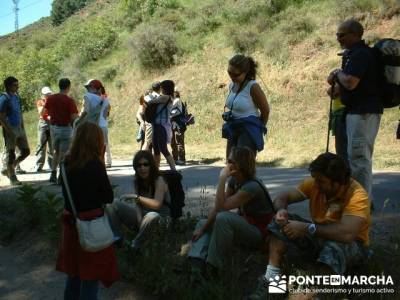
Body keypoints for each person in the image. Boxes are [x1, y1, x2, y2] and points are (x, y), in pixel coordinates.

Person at [249, 152, 370, 300]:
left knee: (335, 246)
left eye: (321, 181)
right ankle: (272, 283)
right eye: (315, 180)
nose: (316, 185)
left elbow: (347, 234)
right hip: (320, 235)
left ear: (337, 181)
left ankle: (323, 294)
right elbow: (282, 197)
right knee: (278, 223)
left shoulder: (357, 195)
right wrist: (281, 211)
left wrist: (307, 228)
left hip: (353, 246)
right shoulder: (315, 183)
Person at [187, 147, 274, 276]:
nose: (226, 164)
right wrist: (203, 228)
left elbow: (222, 207)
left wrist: (222, 178)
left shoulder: (252, 186)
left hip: (259, 233)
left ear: (239, 165)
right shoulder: (235, 180)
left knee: (223, 218)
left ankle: (212, 268)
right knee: (202, 223)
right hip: (247, 224)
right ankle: (195, 263)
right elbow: (218, 207)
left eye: (230, 161)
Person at [56, 122, 119, 298]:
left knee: (74, 275)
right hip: (92, 226)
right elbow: (108, 197)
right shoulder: (95, 165)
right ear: (96, 142)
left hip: (72, 225)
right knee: (91, 278)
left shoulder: (64, 165)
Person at [327, 19, 383, 205]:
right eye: (337, 35)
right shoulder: (353, 55)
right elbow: (348, 86)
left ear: (354, 35)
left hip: (363, 112)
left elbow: (350, 82)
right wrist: (335, 86)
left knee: (359, 159)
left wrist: (337, 73)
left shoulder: (361, 54)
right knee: (356, 157)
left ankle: (361, 204)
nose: (338, 38)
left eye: (341, 35)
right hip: (357, 111)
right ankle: (361, 200)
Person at [106, 150, 170, 250]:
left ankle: (135, 245)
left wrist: (136, 197)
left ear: (151, 166)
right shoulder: (138, 181)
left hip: (161, 220)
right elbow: (138, 205)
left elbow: (157, 204)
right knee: (113, 203)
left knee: (152, 216)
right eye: (139, 165)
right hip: (144, 219)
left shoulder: (159, 180)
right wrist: (139, 221)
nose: (142, 168)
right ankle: (117, 239)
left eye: (146, 164)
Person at [222, 54, 270, 159]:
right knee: (230, 165)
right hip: (233, 128)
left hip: (248, 131)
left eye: (235, 74)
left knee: (242, 168)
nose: (232, 77)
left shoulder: (253, 87)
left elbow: (265, 111)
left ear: (245, 72)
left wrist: (258, 128)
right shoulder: (232, 85)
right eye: (229, 73)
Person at [43, 78, 78, 183]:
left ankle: (53, 173)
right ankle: (61, 176)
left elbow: (44, 112)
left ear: (59, 86)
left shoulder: (51, 98)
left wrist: (52, 117)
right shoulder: (69, 101)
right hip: (65, 129)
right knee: (64, 153)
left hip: (54, 128)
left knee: (56, 152)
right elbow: (73, 117)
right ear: (68, 87)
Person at [0, 76, 30, 185]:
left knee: (26, 151)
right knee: (11, 153)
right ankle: (12, 177)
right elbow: (1, 116)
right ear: (8, 86)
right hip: (10, 128)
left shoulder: (16, 97)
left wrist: (22, 126)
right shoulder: (4, 98)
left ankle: (10, 168)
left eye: (17, 84)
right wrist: (8, 130)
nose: (17, 86)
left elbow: (19, 112)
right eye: (15, 85)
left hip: (19, 128)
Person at [147, 80, 176, 170]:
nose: (160, 89)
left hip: (161, 125)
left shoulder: (166, 97)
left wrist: (149, 97)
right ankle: (156, 169)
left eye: (162, 87)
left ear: (165, 88)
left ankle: (173, 169)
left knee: (163, 149)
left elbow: (151, 102)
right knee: (156, 149)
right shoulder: (165, 97)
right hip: (156, 125)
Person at [34, 86, 54, 172]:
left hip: (52, 123)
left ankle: (51, 165)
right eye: (47, 94)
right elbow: (41, 113)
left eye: (49, 94)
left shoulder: (53, 101)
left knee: (51, 145)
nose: (48, 95)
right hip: (43, 124)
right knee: (41, 145)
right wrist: (45, 103)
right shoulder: (40, 102)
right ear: (43, 95)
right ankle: (39, 166)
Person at [326, 84, 348, 162]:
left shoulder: (343, 76)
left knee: (342, 148)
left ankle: (345, 170)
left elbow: (331, 91)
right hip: (339, 114)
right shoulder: (342, 76)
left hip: (342, 114)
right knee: (341, 147)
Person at [141, 82, 161, 151]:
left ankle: (141, 158)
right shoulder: (161, 98)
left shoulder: (145, 98)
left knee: (147, 142)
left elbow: (142, 111)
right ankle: (141, 159)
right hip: (158, 123)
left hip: (149, 122)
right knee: (156, 144)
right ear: (160, 89)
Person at [171, 90, 186, 165]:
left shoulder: (177, 100)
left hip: (178, 124)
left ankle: (182, 159)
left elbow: (170, 107)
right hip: (175, 123)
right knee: (174, 141)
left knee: (179, 141)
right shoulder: (176, 100)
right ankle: (175, 158)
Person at [99, 85, 112, 168]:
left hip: (98, 124)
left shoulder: (97, 99)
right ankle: (108, 161)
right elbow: (107, 113)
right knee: (105, 144)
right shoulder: (106, 99)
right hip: (104, 123)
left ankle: (102, 161)